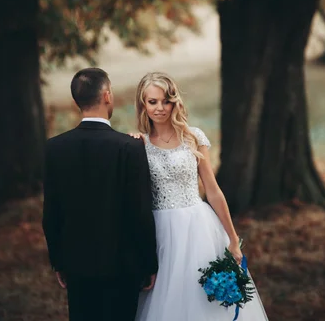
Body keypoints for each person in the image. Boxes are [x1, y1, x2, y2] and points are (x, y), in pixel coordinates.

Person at [130, 71, 269, 321]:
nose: (160, 108)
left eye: (166, 100)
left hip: (198, 228)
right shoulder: (138, 144)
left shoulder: (192, 137)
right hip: (159, 231)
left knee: (205, 297)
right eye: (152, 102)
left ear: (175, 101)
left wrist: (233, 238)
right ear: (143, 105)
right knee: (166, 297)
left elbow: (213, 191)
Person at [42, 67, 158, 321]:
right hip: (123, 267)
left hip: (77, 265)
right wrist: (149, 264)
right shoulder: (129, 147)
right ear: (107, 96)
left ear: (77, 101)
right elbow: (140, 211)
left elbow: (51, 212)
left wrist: (58, 261)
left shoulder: (55, 148)